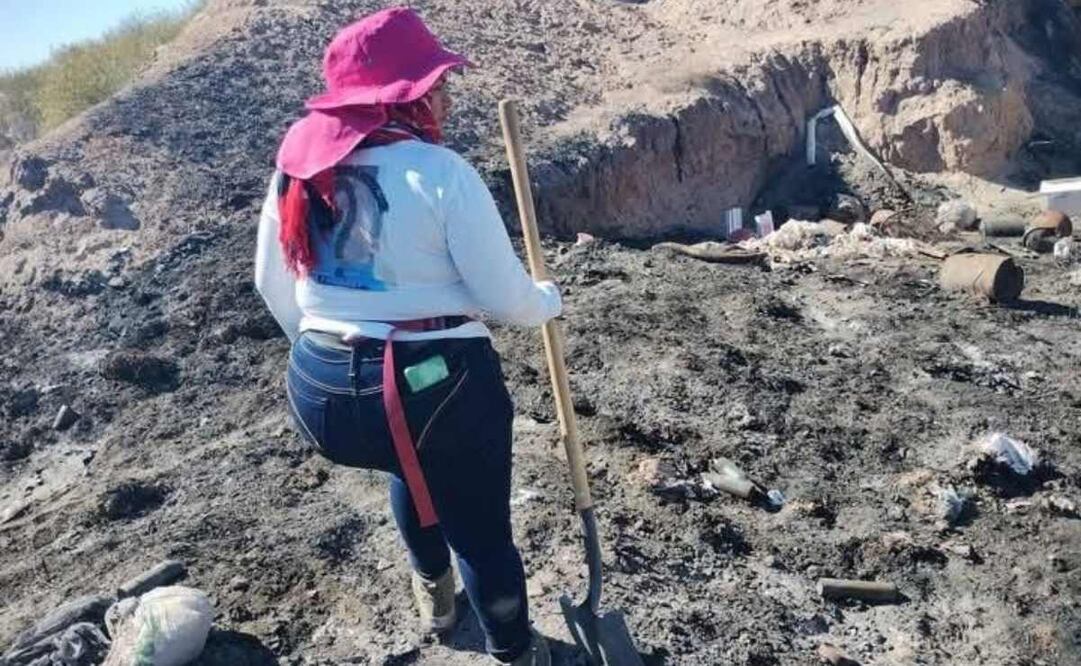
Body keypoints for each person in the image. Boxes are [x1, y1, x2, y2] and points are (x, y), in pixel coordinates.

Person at [253, 7, 560, 665]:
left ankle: (437, 600)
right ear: (402, 98)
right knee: (480, 531)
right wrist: (547, 301)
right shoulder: (440, 173)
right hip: (433, 391)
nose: (445, 95)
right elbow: (504, 299)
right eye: (433, 84)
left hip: (321, 391)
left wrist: (333, 346)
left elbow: (271, 282)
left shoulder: (298, 168)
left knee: (408, 461)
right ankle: (514, 650)